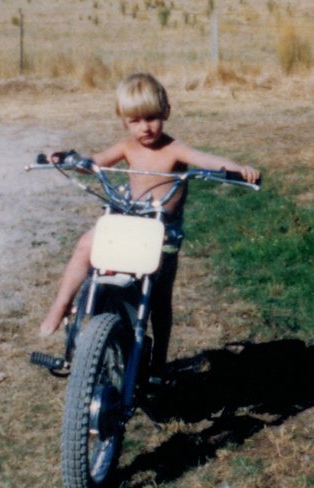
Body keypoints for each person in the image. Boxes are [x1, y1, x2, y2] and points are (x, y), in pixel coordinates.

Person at [40, 72, 259, 376]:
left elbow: (206, 160)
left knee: (159, 299)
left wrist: (239, 170)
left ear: (166, 112)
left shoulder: (174, 149)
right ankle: (61, 304)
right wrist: (68, 158)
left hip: (162, 234)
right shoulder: (127, 147)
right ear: (124, 121)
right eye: (135, 120)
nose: (145, 127)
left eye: (152, 118)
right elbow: (95, 162)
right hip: (129, 223)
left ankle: (159, 360)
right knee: (87, 243)